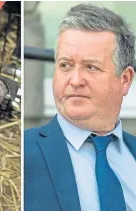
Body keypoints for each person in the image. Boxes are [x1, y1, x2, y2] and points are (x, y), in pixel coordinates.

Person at [25, 4, 136, 211]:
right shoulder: (24, 153)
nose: (75, 80)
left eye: (90, 67)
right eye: (65, 65)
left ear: (125, 80)